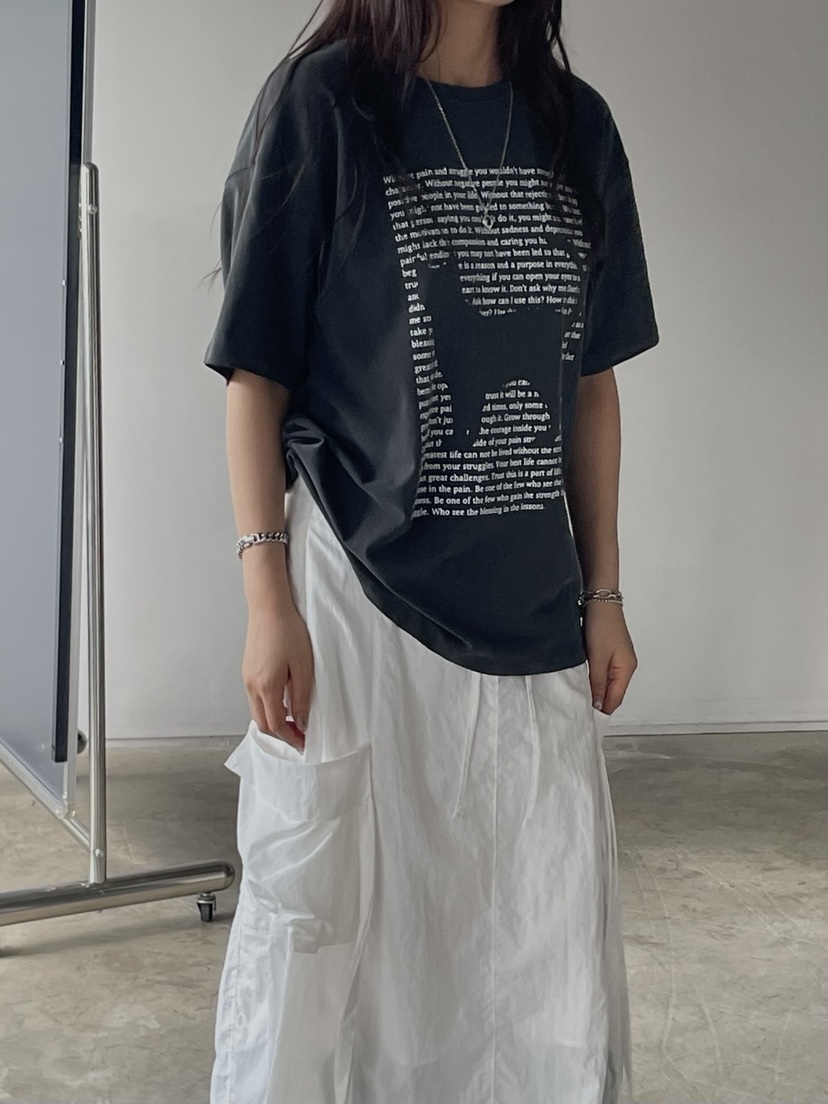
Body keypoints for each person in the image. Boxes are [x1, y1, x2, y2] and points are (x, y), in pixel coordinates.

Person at [202, 0, 659, 1100]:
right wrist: (267, 598)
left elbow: (591, 385)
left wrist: (604, 591)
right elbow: (256, 376)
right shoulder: (324, 107)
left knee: (533, 943)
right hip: (360, 601)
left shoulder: (577, 127)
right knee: (338, 945)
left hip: (531, 612)